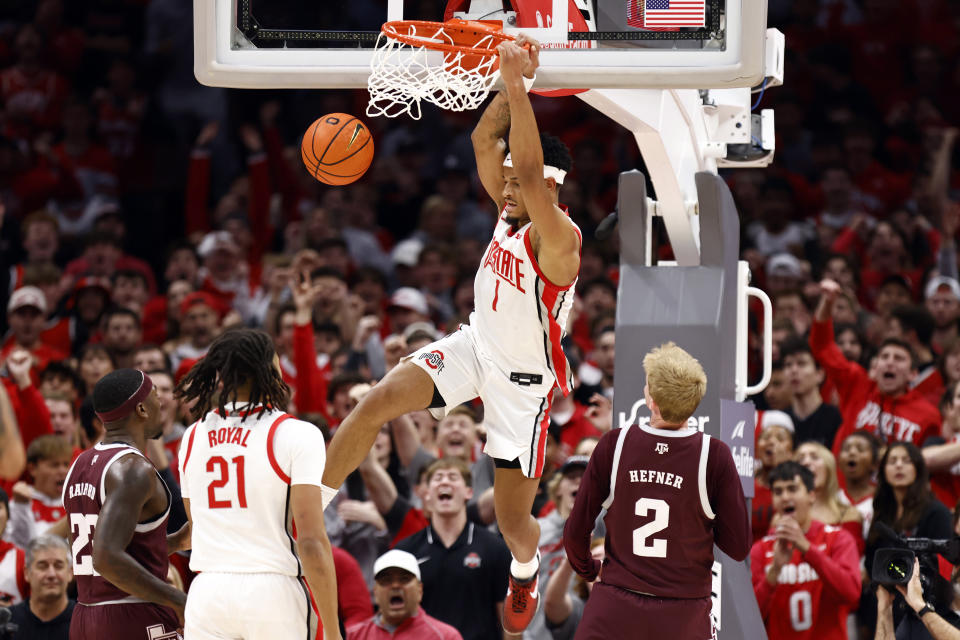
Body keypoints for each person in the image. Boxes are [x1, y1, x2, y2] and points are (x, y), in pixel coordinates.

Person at [321, 35, 580, 634]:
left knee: (516, 525)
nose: (504, 188)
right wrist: (511, 81)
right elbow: (480, 140)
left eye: (516, 183)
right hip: (475, 347)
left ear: (551, 187)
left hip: (524, 386)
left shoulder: (559, 240)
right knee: (376, 401)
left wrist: (519, 85)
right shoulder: (510, 208)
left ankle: (522, 569)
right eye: (506, 182)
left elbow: (532, 176)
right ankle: (314, 505)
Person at [563, 342, 751, 639]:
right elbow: (738, 547)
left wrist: (590, 569)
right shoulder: (713, 455)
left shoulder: (615, 443)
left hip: (615, 608)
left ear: (650, 397)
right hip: (683, 613)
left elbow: (575, 533)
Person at [175, 328, 341, 640]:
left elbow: (197, 529)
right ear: (271, 369)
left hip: (207, 593)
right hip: (271, 592)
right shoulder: (296, 433)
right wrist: (333, 630)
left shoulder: (192, 435)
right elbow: (310, 541)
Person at [63, 368, 188, 639]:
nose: (163, 402)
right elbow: (106, 558)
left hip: (85, 617)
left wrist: (175, 542)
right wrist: (178, 599)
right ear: (141, 409)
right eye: (156, 395)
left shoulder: (81, 464)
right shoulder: (132, 469)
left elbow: (110, 547)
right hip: (133, 614)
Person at [812, 279, 941, 457]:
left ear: (912, 374)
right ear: (875, 367)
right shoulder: (857, 385)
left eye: (899, 358)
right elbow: (822, 345)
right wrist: (827, 302)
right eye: (884, 356)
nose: (890, 362)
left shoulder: (929, 415)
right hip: (845, 485)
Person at [394, 458, 511, 640]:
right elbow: (396, 615)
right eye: (438, 477)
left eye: (453, 477)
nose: (445, 481)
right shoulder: (405, 551)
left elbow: (509, 622)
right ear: (427, 494)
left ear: (469, 492)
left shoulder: (495, 548)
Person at [750, 462, 861, 640]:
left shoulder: (838, 539)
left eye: (792, 489)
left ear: (811, 495)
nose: (785, 497)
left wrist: (808, 549)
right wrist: (774, 572)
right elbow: (749, 618)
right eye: (778, 492)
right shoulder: (760, 549)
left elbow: (851, 594)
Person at [346, 549, 463, 640]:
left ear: (419, 590)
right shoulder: (353, 636)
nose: (395, 586)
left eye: (404, 579)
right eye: (386, 580)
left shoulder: (446, 637)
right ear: (375, 592)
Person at [795, 441, 864, 550]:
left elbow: (852, 563)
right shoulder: (782, 518)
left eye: (814, 457)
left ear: (829, 468)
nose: (806, 462)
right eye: (800, 459)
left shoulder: (849, 515)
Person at [6, 435, 70, 549]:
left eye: (66, 464)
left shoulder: (72, 502)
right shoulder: (19, 504)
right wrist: (21, 506)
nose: (63, 471)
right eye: (54, 465)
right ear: (32, 469)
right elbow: (23, 550)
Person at [8, 535, 74, 640]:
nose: (51, 574)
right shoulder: (7, 622)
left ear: (70, 572)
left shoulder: (85, 621)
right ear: (27, 573)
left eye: (58, 566)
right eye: (42, 566)